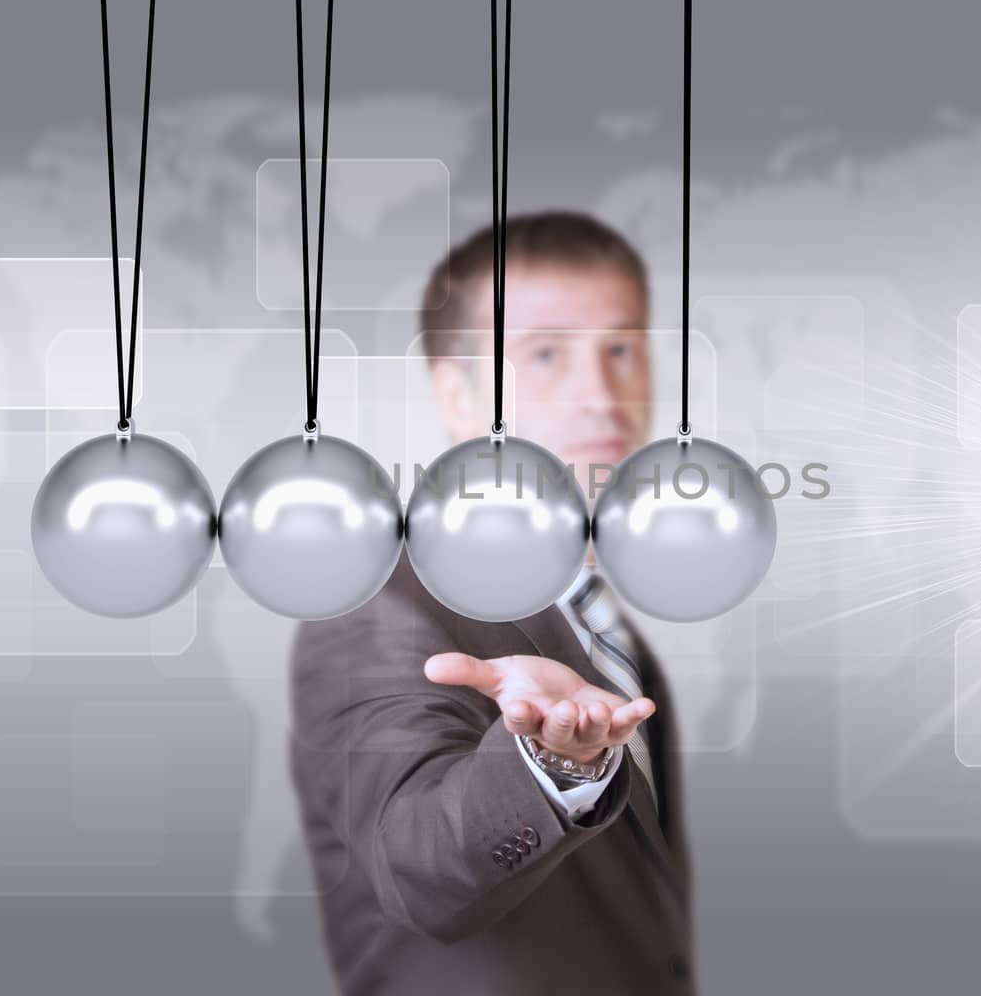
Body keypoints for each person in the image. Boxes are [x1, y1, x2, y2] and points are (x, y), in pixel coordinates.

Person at [290, 211, 694, 994]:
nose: (600, 395)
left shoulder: (596, 610)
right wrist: (548, 760)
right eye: (546, 354)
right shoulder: (376, 603)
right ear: (456, 392)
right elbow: (417, 867)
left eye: (622, 349)